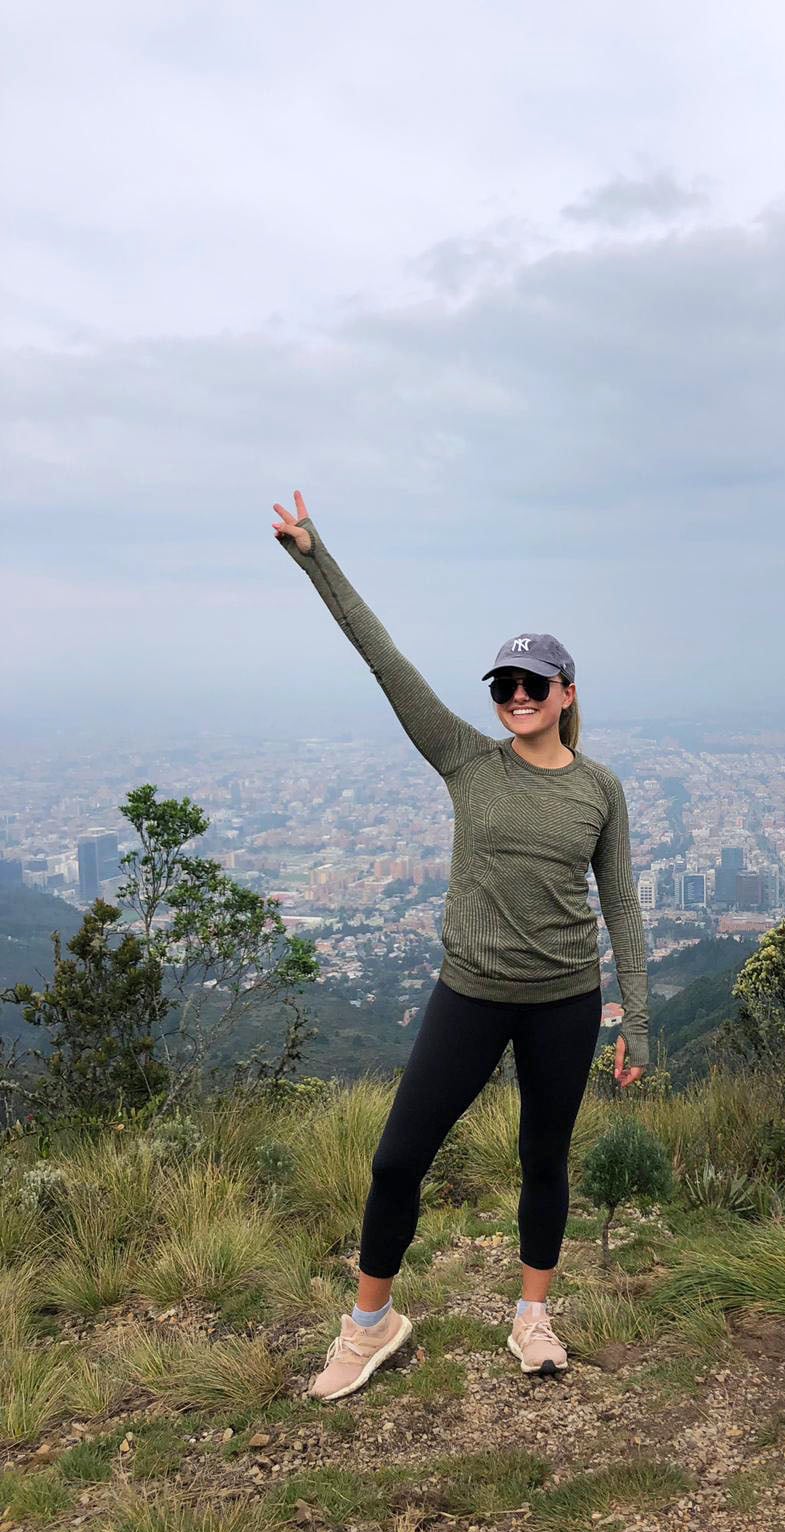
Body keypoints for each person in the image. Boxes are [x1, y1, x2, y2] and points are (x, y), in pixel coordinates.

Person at [271, 490, 649, 1397]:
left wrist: (641, 1018)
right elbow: (384, 658)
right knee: (399, 1155)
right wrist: (314, 555)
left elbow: (623, 906)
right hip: (470, 992)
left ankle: (533, 1316)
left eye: (533, 685)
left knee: (543, 1160)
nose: (516, 697)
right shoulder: (464, 758)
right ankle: (371, 1324)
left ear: (566, 695)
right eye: (504, 686)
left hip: (563, 1000)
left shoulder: (599, 790)